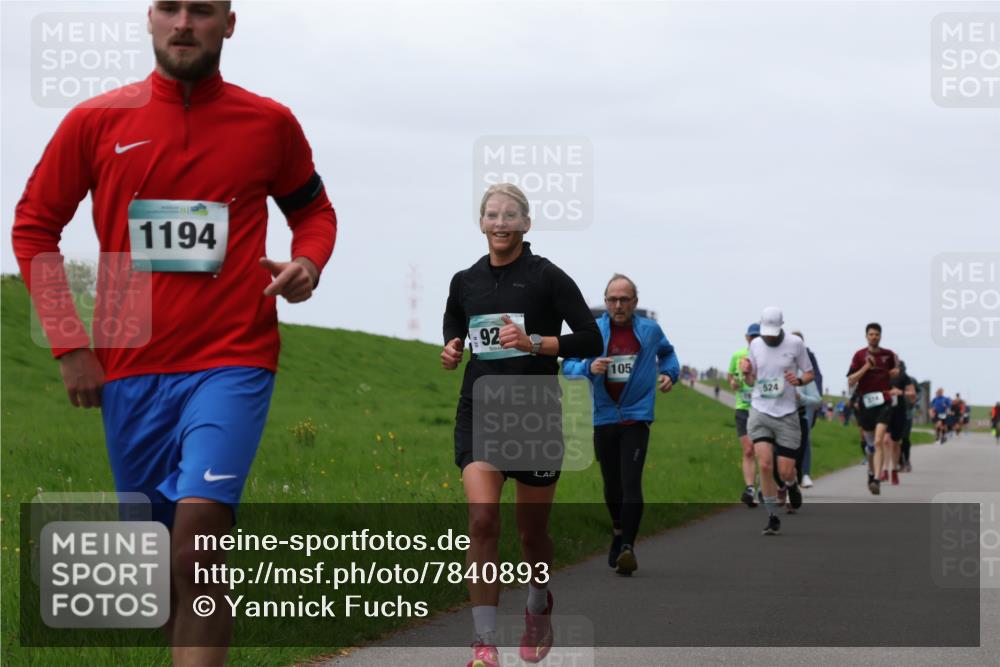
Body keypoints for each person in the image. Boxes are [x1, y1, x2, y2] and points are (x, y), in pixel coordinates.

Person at [11, 3, 336, 665]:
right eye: (171, 7)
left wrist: (308, 262)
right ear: (151, 20)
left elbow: (314, 211)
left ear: (229, 23)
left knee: (198, 542)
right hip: (132, 364)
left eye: (202, 10)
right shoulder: (96, 121)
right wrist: (70, 343)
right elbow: (33, 226)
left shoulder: (268, 122)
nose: (185, 21)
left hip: (232, 357)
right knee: (162, 570)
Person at [442, 183, 602, 667]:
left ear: (526, 224)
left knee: (532, 534)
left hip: (533, 413)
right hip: (481, 410)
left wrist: (536, 343)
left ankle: (538, 601)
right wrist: (451, 347)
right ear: (482, 223)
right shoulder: (464, 280)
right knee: (483, 520)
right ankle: (484, 644)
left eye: (510, 214)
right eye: (492, 214)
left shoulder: (547, 277)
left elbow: (590, 338)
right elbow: (454, 323)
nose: (501, 222)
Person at [562, 274, 679, 576]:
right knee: (611, 484)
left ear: (634, 303)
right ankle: (617, 531)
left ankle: (628, 546)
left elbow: (668, 352)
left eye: (624, 299)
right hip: (603, 417)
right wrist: (589, 366)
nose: (618, 305)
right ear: (605, 302)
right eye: (612, 299)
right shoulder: (592, 332)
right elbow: (567, 366)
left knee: (630, 482)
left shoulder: (650, 331)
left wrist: (670, 373)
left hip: (636, 417)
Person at [738, 307, 814, 535]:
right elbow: (751, 381)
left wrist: (799, 380)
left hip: (787, 414)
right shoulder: (755, 345)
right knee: (765, 464)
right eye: (766, 332)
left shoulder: (795, 344)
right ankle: (772, 516)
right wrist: (746, 372)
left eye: (773, 331)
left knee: (786, 470)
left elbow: (809, 373)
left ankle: (791, 486)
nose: (769, 336)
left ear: (782, 326)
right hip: (760, 411)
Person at [846, 323, 899, 495]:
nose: (874, 337)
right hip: (866, 403)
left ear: (881, 336)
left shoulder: (888, 355)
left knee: (878, 441)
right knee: (870, 445)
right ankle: (871, 471)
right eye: (871, 334)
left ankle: (877, 478)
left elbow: (894, 371)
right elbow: (851, 380)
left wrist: (895, 374)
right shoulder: (859, 355)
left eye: (877, 334)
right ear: (866, 336)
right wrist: (866, 367)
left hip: (884, 402)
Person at [727, 323, 761, 507]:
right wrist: (733, 383)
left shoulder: (766, 357)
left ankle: (765, 485)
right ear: (746, 337)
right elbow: (731, 376)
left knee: (763, 451)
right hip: (743, 407)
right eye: (752, 336)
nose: (754, 339)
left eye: (758, 336)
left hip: (762, 408)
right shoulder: (737, 355)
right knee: (748, 449)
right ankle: (750, 489)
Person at [885, 360, 917, 485]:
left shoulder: (906, 378)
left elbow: (914, 395)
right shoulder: (884, 376)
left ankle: (900, 465)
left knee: (900, 440)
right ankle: (886, 469)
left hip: (903, 413)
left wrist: (903, 394)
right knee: (886, 440)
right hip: (887, 411)